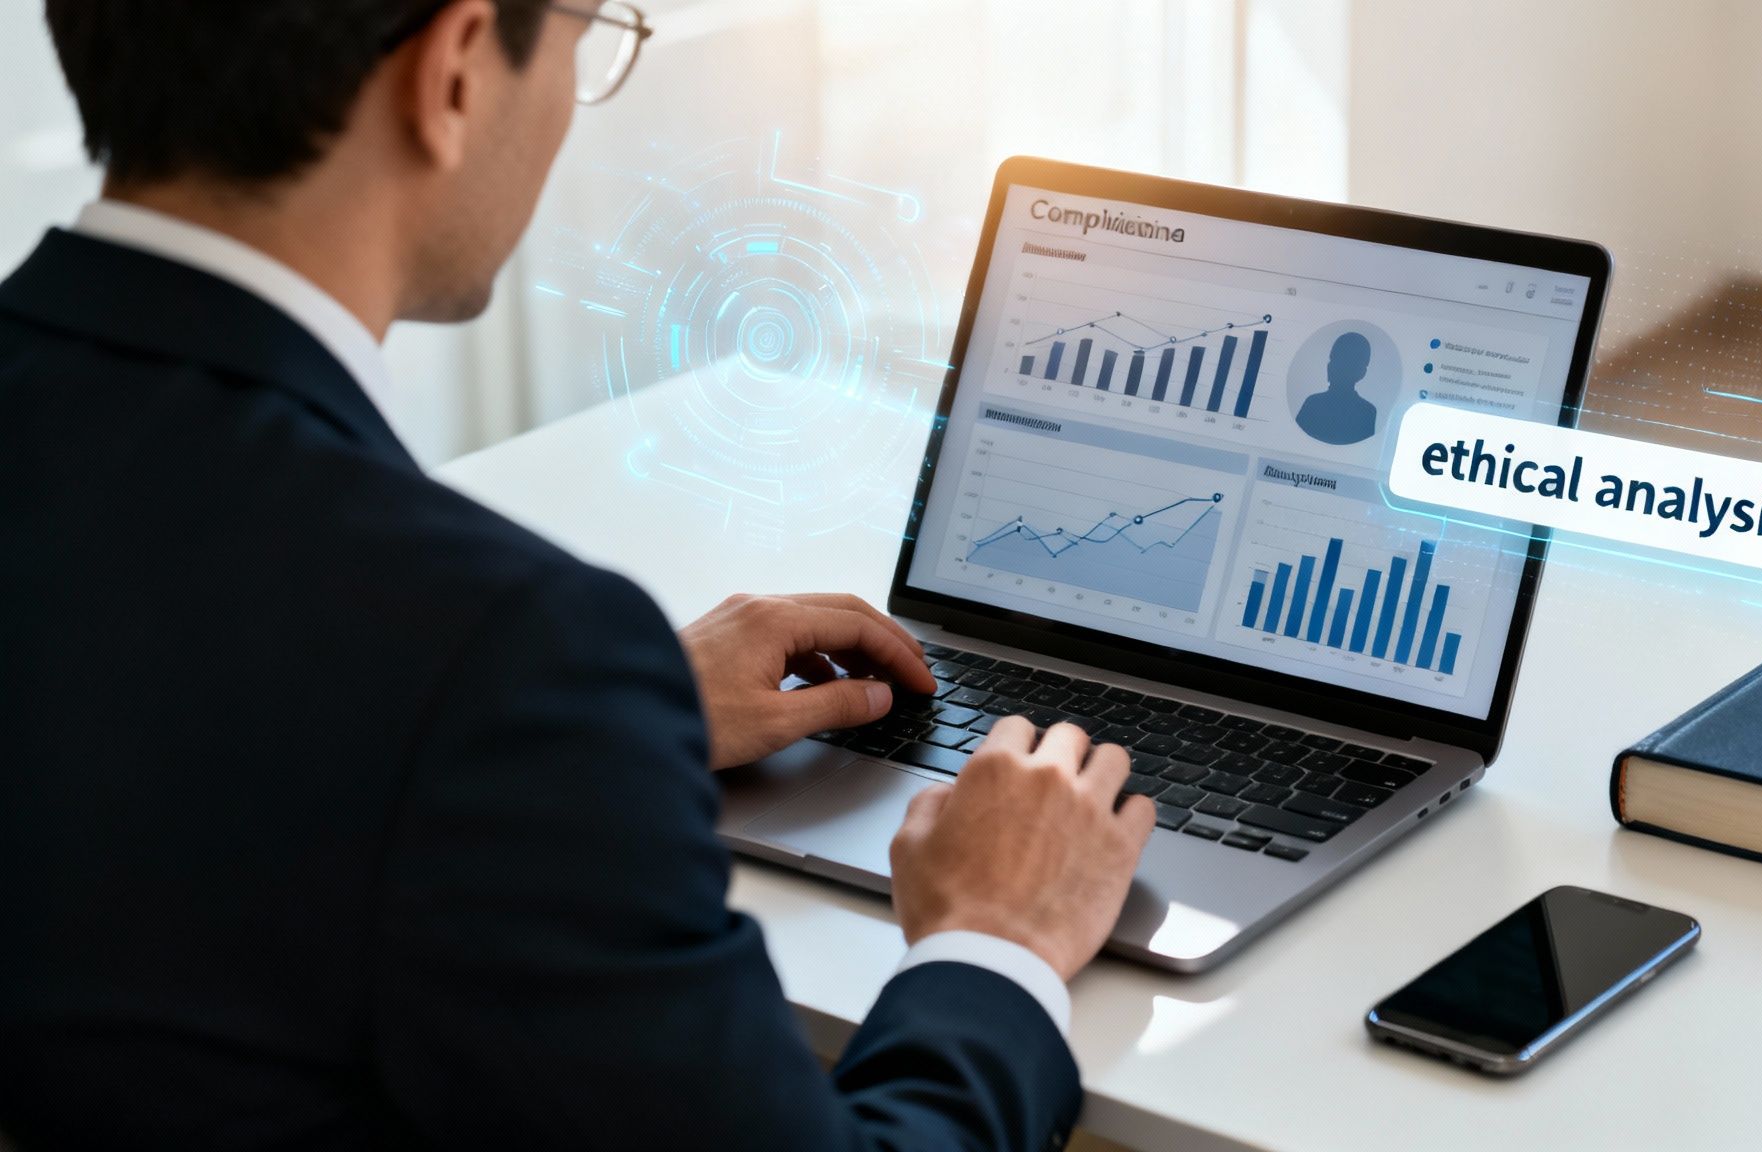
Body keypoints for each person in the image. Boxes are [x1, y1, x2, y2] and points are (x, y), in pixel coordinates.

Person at [0, 2, 1153, 1148]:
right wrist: (994, 939)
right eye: (579, 33)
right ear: (452, 71)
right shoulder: (496, 653)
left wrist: (612, 722)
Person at [1294, 330, 1378, 446]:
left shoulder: (1366, 412)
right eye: (1335, 360)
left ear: (1361, 372)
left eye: (1346, 364)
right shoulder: (1313, 403)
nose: (1333, 367)